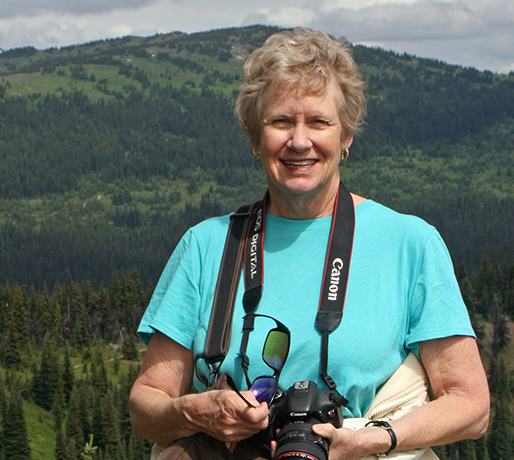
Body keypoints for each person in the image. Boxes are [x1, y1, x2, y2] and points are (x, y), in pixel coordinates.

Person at [129, 28, 489, 460]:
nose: (300, 141)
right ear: (254, 137)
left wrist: (375, 437)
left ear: (346, 136)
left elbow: (471, 405)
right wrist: (198, 414)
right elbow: (145, 408)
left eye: (319, 122)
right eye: (280, 121)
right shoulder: (207, 246)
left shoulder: (410, 244)